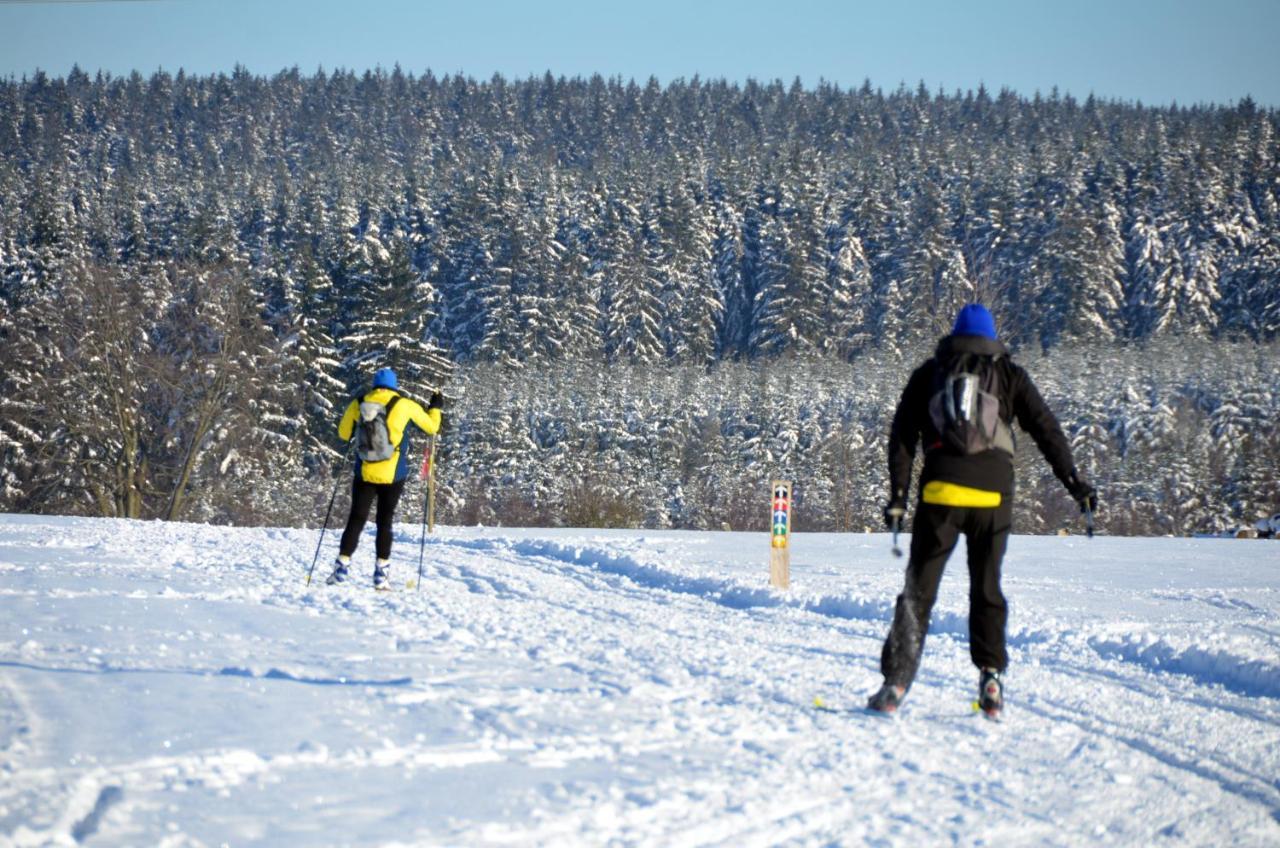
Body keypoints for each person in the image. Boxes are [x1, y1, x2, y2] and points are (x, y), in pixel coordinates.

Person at [868, 304, 1096, 718]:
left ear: (954, 335)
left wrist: (898, 494)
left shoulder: (930, 372)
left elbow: (901, 434)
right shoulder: (1010, 375)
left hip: (940, 495)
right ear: (992, 337)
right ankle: (991, 679)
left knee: (919, 590)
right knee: (986, 587)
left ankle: (895, 683)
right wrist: (1075, 483)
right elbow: (1046, 429)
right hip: (993, 496)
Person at [326, 367, 442, 590]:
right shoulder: (404, 405)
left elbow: (343, 433)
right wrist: (435, 407)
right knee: (384, 522)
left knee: (356, 519)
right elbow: (432, 427)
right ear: (394, 385)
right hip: (393, 475)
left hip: (365, 472)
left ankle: (341, 567)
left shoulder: (360, 402)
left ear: (375, 385)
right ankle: (381, 575)